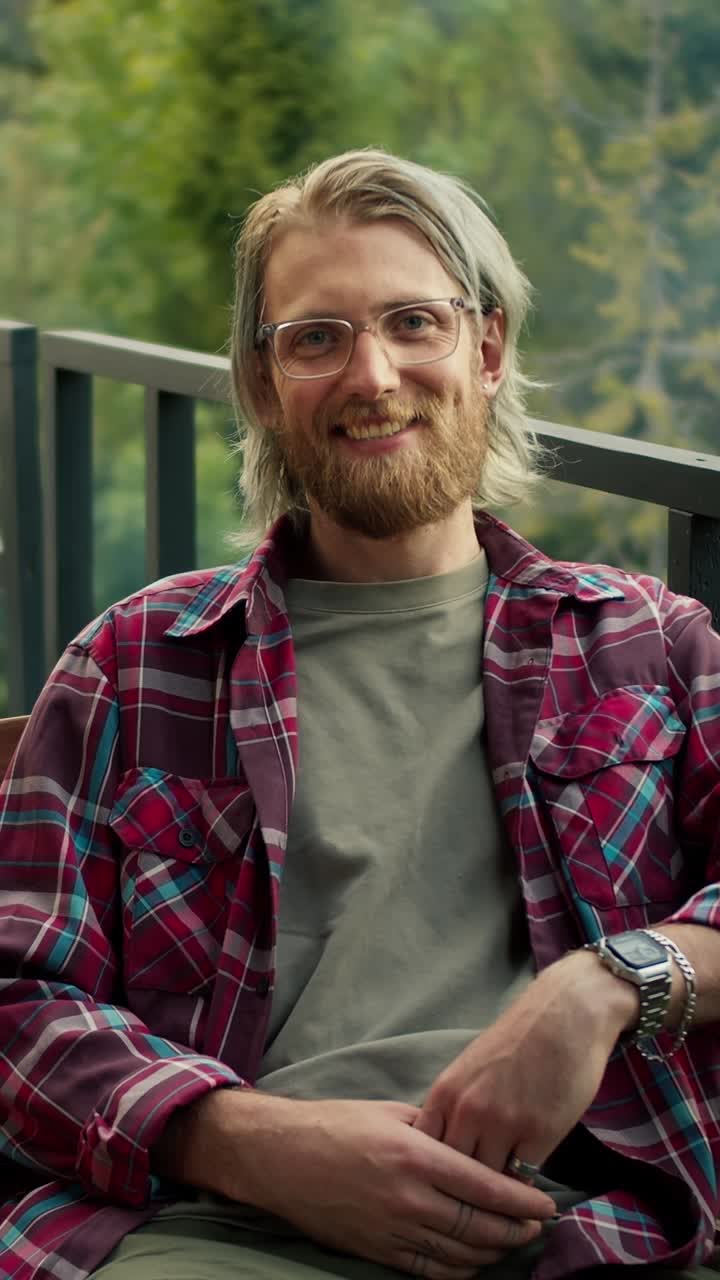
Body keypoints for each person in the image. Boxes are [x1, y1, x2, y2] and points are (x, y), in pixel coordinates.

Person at [0, 149, 718, 1280]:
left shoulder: (652, 643)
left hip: (587, 1226)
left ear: (485, 351)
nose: (373, 375)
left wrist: (613, 979)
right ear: (259, 383)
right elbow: (21, 1000)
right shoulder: (137, 662)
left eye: (414, 322)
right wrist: (241, 1140)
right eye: (316, 338)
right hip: (224, 1227)